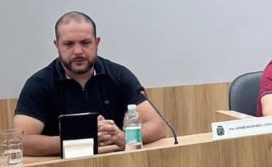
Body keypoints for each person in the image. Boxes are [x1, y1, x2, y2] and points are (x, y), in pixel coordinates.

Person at [13, 11, 166, 156]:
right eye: (69, 44)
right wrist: (81, 137)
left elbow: (158, 126)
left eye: (85, 43)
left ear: (96, 43)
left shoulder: (119, 76)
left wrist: (123, 137)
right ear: (57, 45)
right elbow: (21, 140)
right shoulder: (39, 84)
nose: (78, 51)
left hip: (116, 165)